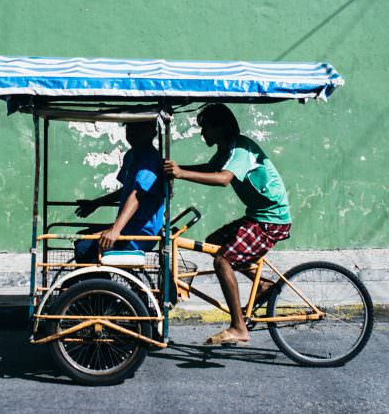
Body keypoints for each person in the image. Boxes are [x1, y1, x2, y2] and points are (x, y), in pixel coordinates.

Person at [164, 103, 291, 346]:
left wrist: (180, 173)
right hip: (258, 215)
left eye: (206, 129)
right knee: (214, 241)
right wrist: (176, 170)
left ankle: (238, 327)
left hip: (270, 220)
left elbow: (223, 178)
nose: (203, 134)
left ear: (220, 127)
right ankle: (263, 285)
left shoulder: (241, 149)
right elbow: (211, 168)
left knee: (222, 260)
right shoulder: (227, 148)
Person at [73, 121, 165, 263]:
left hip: (140, 232)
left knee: (84, 247)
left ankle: (99, 285)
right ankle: (96, 282)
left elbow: (137, 195)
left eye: (138, 128)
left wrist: (115, 230)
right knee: (83, 235)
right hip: (129, 227)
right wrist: (96, 203)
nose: (132, 133)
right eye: (130, 128)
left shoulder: (150, 159)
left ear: (151, 133)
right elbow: (125, 191)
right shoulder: (131, 155)